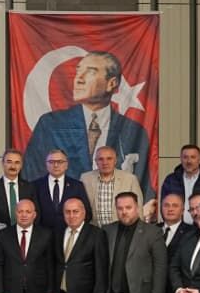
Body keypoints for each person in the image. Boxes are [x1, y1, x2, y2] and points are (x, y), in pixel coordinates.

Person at [24, 50, 152, 189]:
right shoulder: (50, 124)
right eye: (78, 71)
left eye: (90, 72)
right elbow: (32, 174)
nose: (79, 79)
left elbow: (143, 186)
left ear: (111, 83)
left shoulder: (133, 130)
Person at [159, 144, 200, 223]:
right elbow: (164, 206)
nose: (189, 161)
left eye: (193, 157)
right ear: (181, 159)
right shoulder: (170, 180)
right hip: (178, 228)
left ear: (199, 159)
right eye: (185, 157)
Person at [30, 150, 91, 234]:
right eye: (51, 162)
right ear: (46, 164)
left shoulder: (77, 186)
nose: (56, 165)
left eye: (60, 162)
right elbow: (31, 212)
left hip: (69, 235)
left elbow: (87, 213)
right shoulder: (35, 186)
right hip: (41, 236)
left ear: (66, 165)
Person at [81, 145, 143, 227]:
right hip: (95, 230)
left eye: (109, 158)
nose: (105, 163)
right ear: (96, 161)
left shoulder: (130, 179)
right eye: (101, 159)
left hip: (121, 230)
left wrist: (139, 230)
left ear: (115, 160)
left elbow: (139, 208)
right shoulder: (85, 178)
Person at [0, 149, 36, 222]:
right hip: (0, 228)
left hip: (24, 228)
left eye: (17, 162)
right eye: (9, 162)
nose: (13, 166)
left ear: (21, 165)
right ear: (3, 163)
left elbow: (35, 212)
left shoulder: (30, 188)